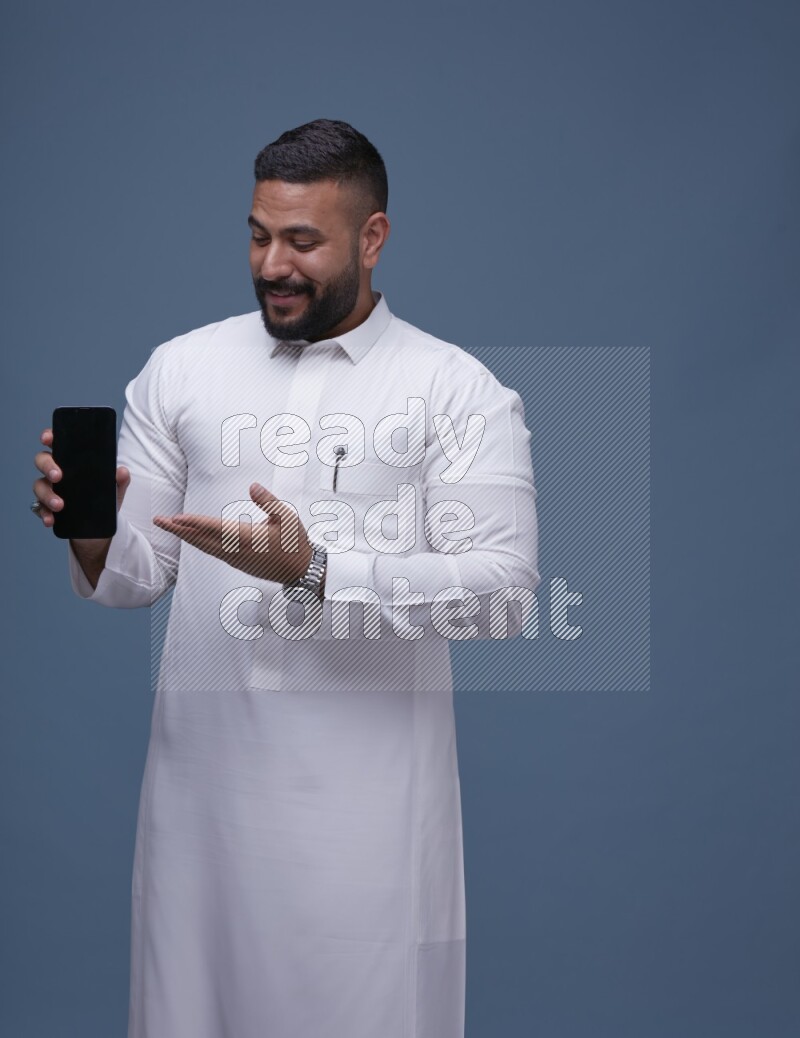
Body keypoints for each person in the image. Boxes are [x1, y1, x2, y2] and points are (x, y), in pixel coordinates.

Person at [32, 119, 540, 1038]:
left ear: (373, 238)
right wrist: (93, 532)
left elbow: (503, 593)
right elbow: (139, 575)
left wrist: (316, 570)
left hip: (369, 825)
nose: (273, 265)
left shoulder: (457, 390)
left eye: (303, 241)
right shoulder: (182, 369)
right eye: (260, 235)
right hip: (198, 813)